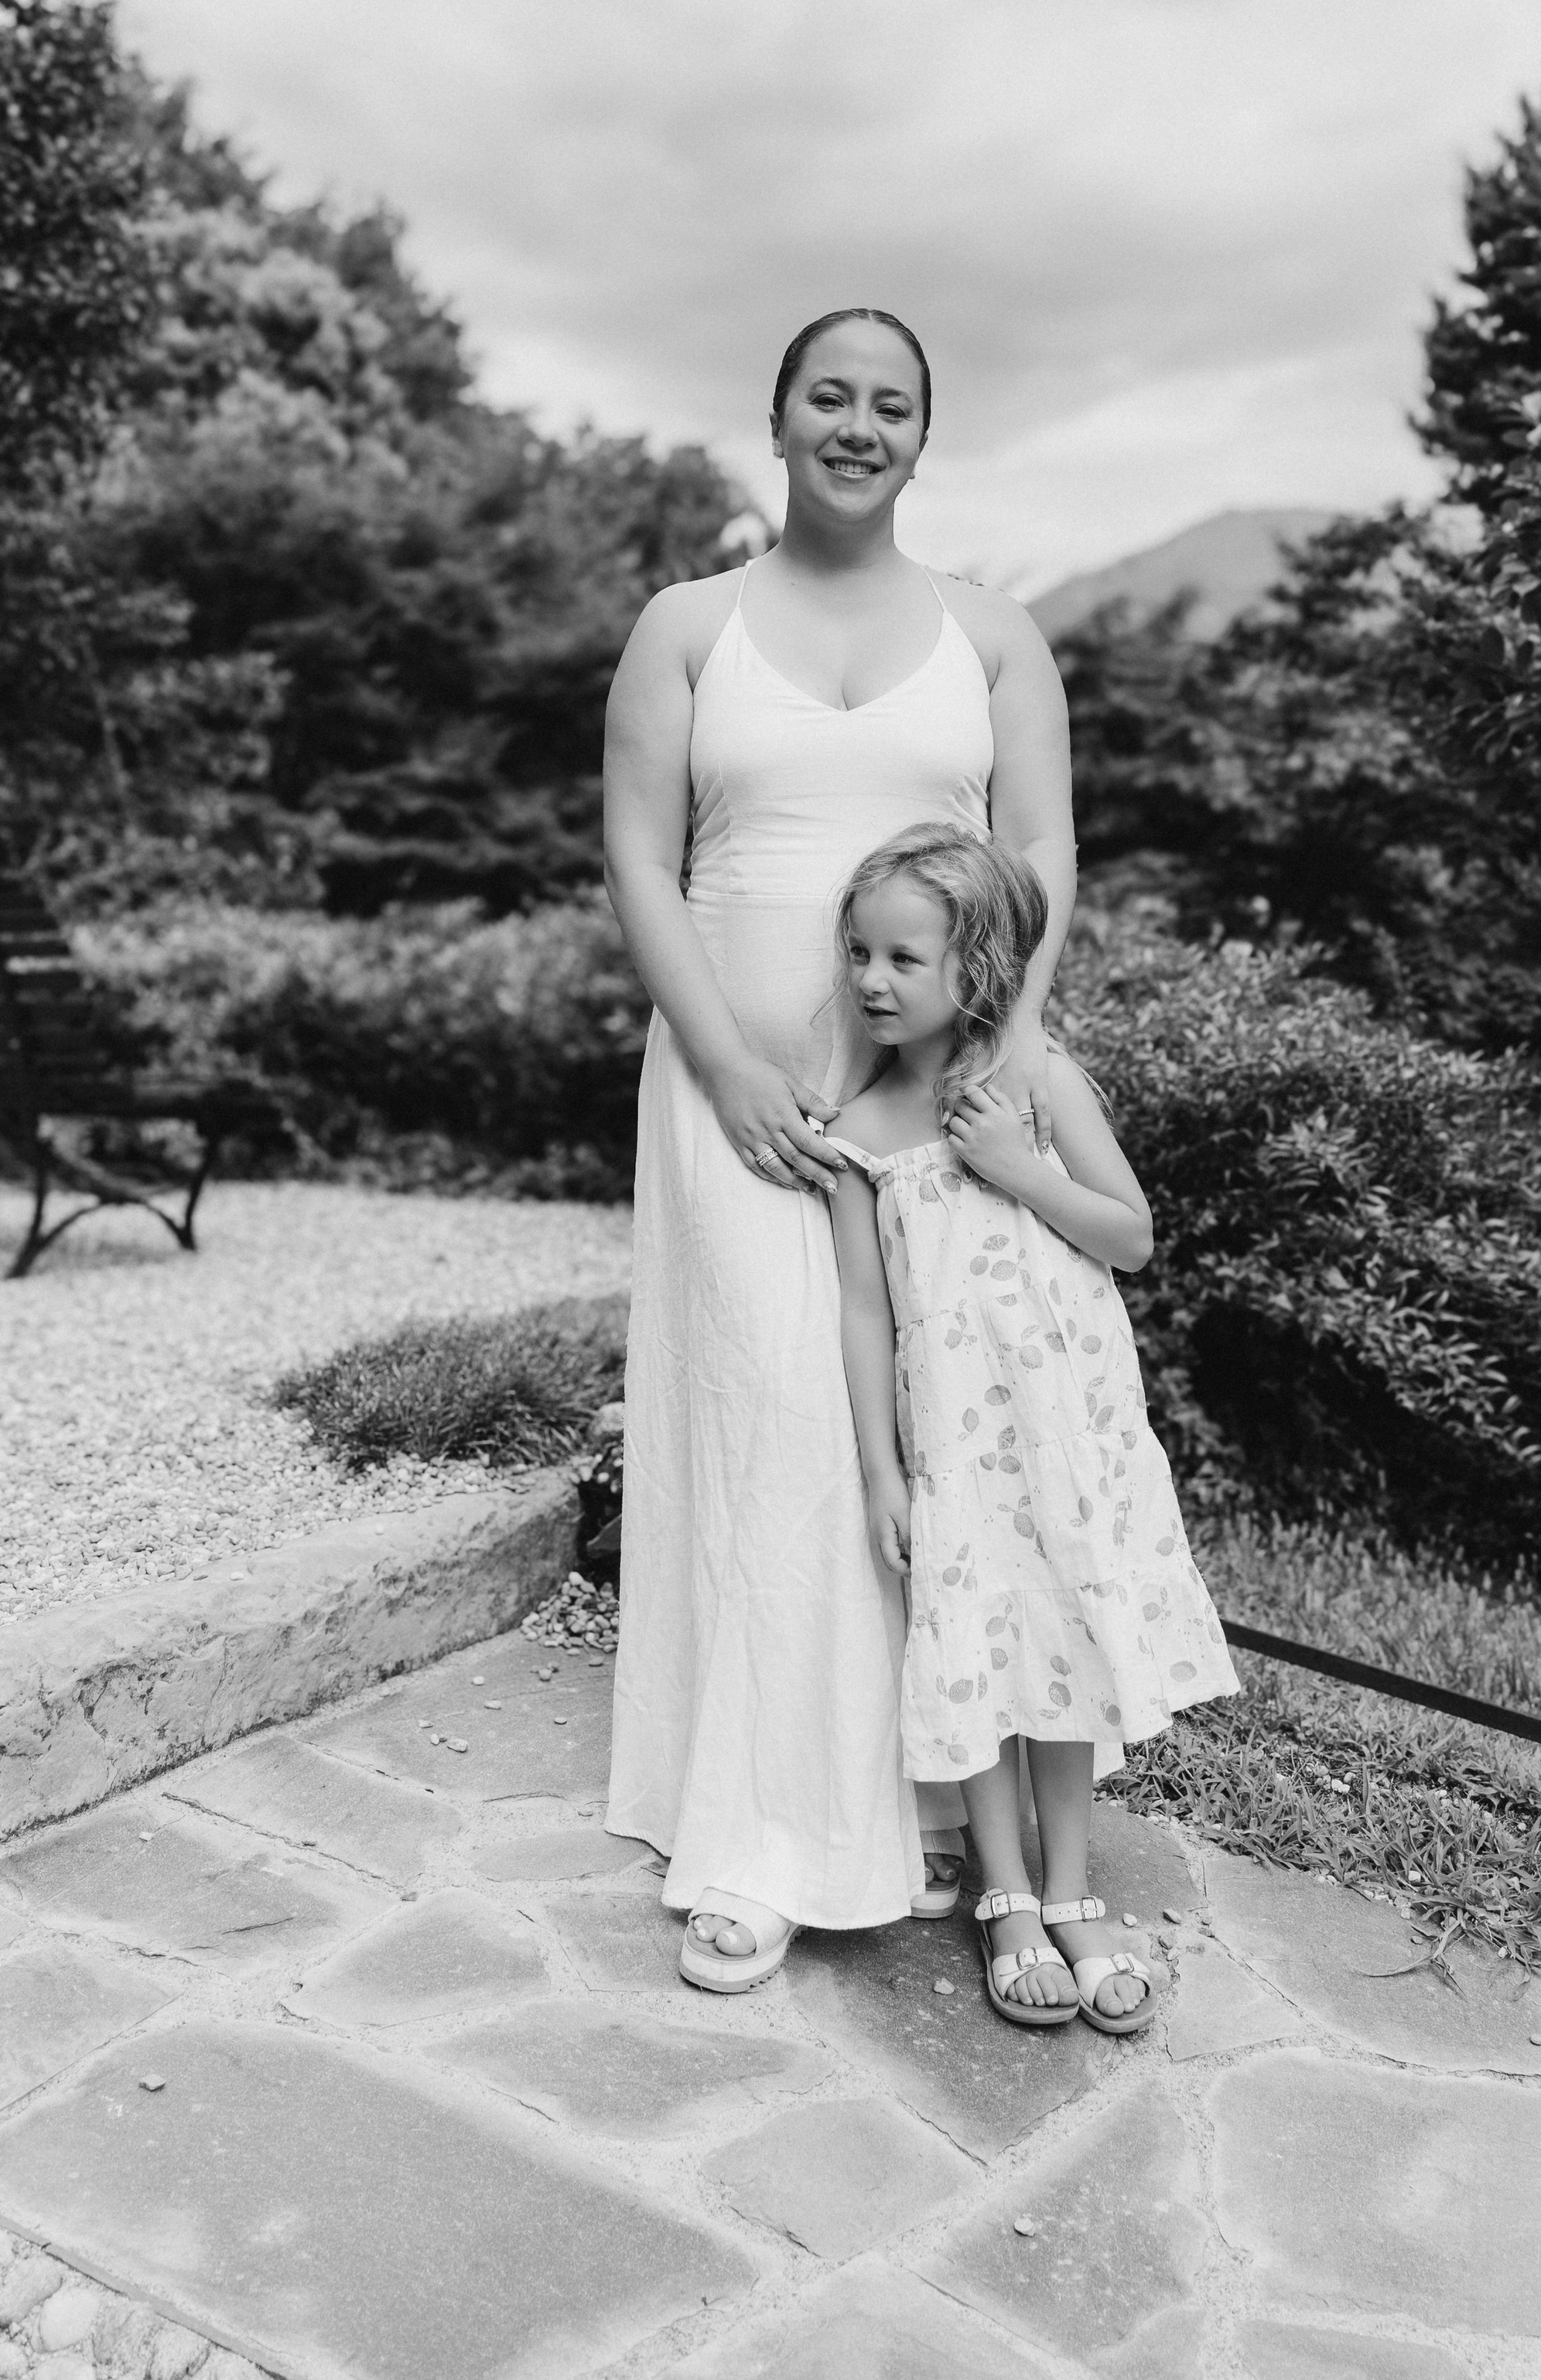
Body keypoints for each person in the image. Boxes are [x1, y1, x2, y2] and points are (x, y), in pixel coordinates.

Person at [601, 309, 1077, 1989]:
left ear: (921, 436)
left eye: (891, 403)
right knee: (778, 1427)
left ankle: (922, 1799)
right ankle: (752, 1839)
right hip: (732, 1097)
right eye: (830, 396)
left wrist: (995, 1073)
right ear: (778, 417)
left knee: (915, 1432)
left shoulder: (996, 635)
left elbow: (1037, 855)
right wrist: (726, 1066)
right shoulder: (684, 627)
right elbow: (642, 866)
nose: (857, 424)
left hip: (926, 1106)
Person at [825, 821, 1236, 2033]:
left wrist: (1020, 1168)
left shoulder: (1035, 1086)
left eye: (903, 958)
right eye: (858, 954)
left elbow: (1131, 1235)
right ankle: (1002, 1892)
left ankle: (1071, 1887)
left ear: (980, 964)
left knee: (1064, 1642)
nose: (870, 981)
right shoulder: (859, 1130)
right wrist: (881, 1473)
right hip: (954, 1443)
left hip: (1071, 1434)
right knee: (973, 1645)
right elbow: (862, 1308)